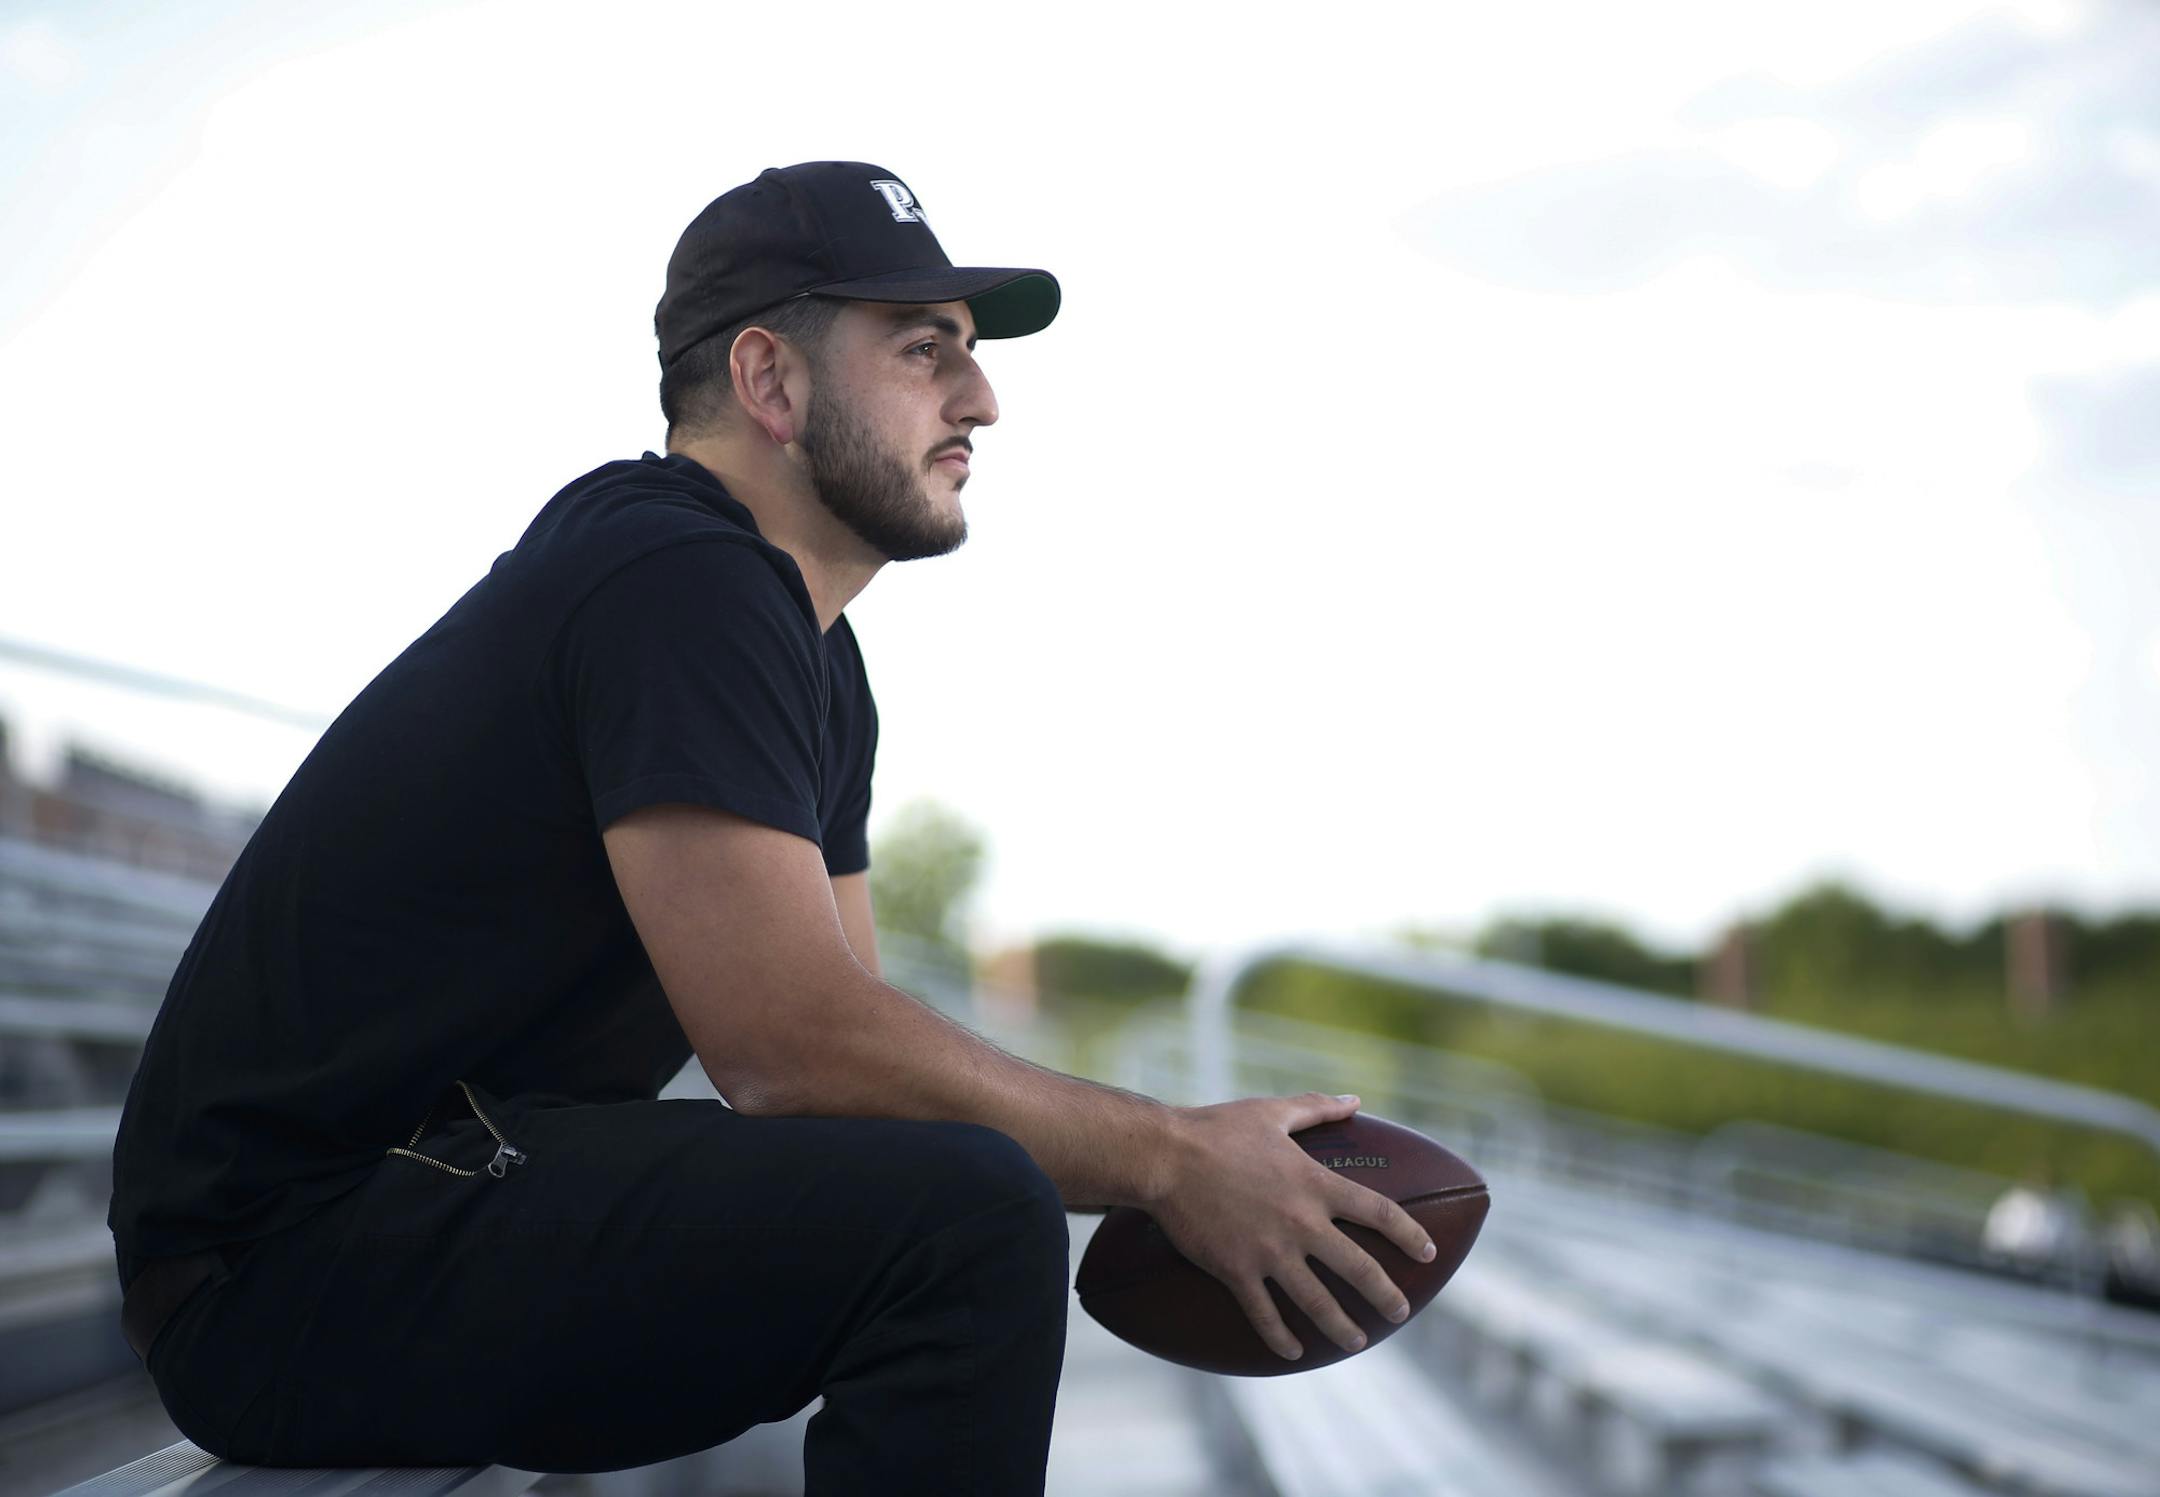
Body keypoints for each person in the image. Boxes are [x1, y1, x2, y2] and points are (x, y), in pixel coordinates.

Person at [106, 161, 1437, 1494]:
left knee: (953, 1186)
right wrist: (1171, 1158)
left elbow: (859, 1046)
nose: (981, 399)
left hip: (420, 1204)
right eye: (922, 349)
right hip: (285, 1259)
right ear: (770, 380)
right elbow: (795, 1048)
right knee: (964, 1219)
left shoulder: (814, 654)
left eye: (968, 353)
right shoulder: (674, 576)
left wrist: (1164, 1158)